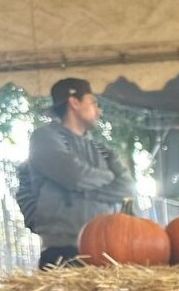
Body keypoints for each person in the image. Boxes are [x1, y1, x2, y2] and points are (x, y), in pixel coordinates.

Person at [26, 78, 137, 269]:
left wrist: (85, 190)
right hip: (63, 251)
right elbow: (75, 175)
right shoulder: (44, 138)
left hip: (107, 249)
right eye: (93, 102)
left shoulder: (102, 148)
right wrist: (110, 180)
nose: (98, 110)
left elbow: (128, 188)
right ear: (74, 102)